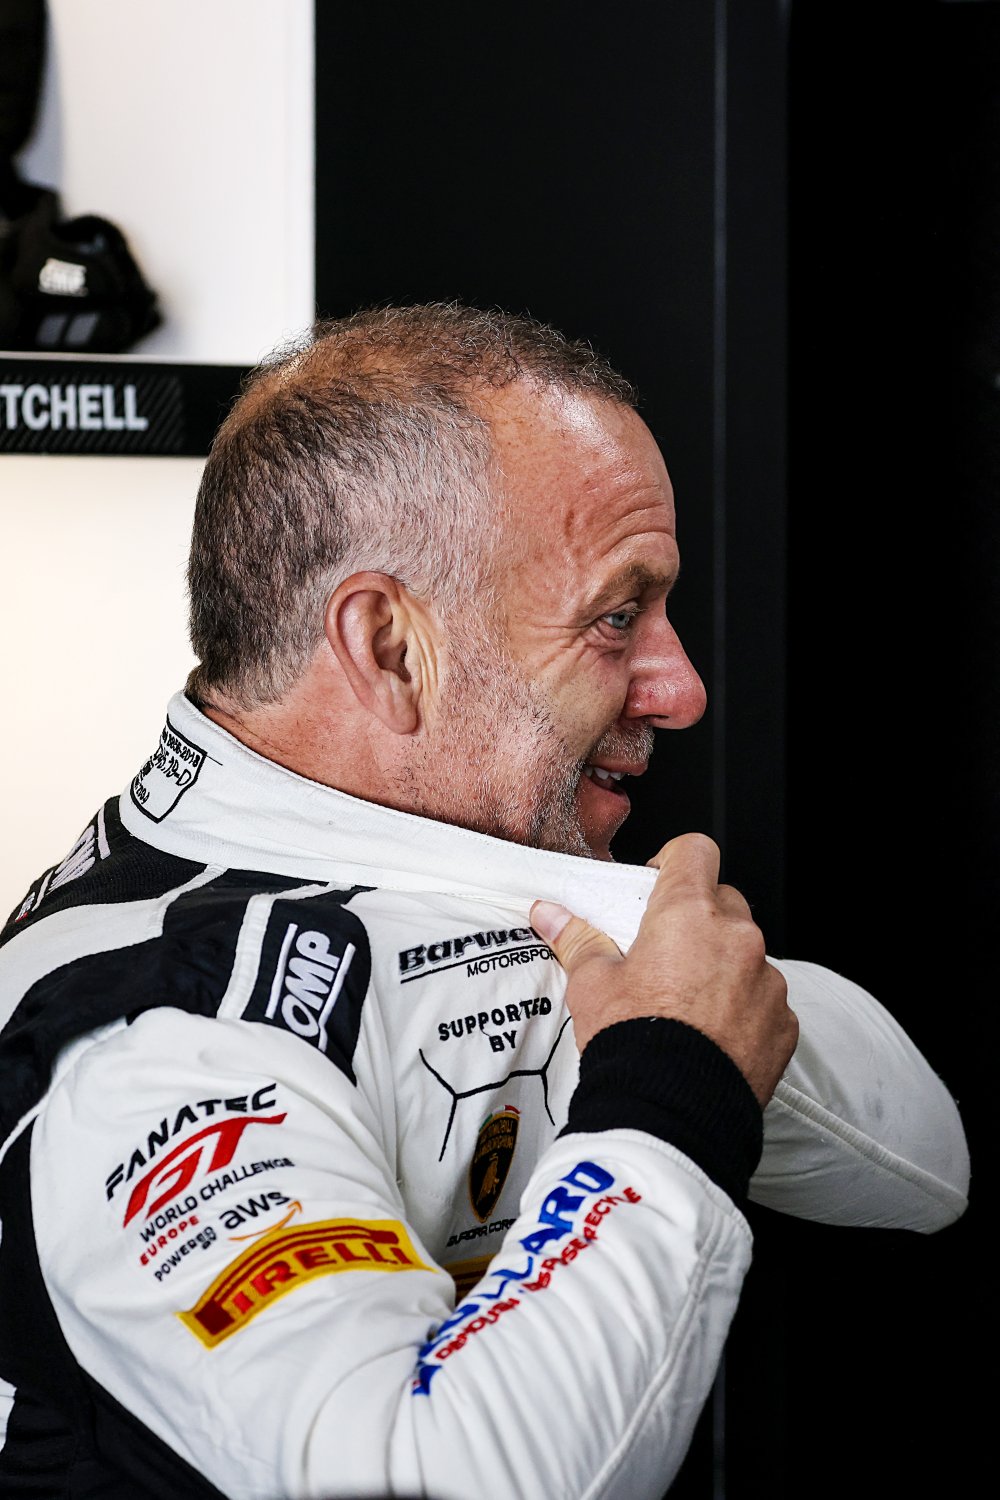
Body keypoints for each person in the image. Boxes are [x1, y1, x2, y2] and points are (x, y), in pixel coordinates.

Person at [0, 303, 969, 1500]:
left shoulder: (449, 866)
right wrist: (668, 1082)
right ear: (389, 647)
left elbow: (922, 1165)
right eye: (617, 616)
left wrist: (649, 1024)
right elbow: (432, 1483)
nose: (680, 689)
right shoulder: (159, 1045)